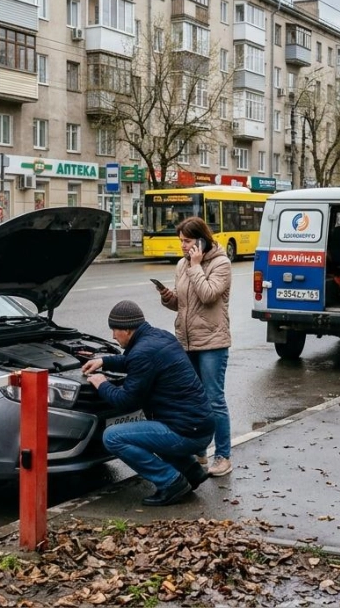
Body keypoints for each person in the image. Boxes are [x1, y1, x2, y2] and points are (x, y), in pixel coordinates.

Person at [80, 301, 214, 506]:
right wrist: (104, 361)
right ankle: (191, 471)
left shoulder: (142, 352)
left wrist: (102, 384)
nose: (113, 336)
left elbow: (126, 401)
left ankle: (170, 482)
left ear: (127, 329)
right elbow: (132, 361)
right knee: (150, 432)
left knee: (113, 437)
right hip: (199, 426)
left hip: (187, 433)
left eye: (114, 330)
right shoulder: (160, 337)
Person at [156, 216, 234, 477]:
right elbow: (183, 304)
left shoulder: (221, 263)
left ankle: (223, 456)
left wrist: (196, 266)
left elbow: (208, 295)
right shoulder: (182, 264)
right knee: (192, 401)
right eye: (180, 241)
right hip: (186, 341)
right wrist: (168, 298)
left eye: (187, 241)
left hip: (212, 342)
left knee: (214, 400)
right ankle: (199, 450)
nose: (182, 246)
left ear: (201, 241)